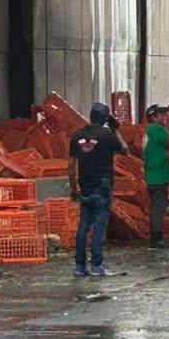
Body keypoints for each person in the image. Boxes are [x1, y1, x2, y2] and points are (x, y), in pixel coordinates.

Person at [68, 102, 126, 275]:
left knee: (84, 224)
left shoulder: (76, 136)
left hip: (84, 185)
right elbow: (125, 150)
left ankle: (79, 266)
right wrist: (116, 130)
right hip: (103, 186)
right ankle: (96, 266)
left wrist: (74, 188)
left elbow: (71, 166)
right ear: (105, 118)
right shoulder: (108, 136)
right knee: (99, 225)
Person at [143, 105, 169, 248]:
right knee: (158, 207)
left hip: (153, 175)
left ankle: (157, 237)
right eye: (161, 115)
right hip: (158, 176)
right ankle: (157, 238)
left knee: (157, 206)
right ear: (154, 117)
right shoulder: (157, 130)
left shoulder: (150, 131)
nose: (164, 117)